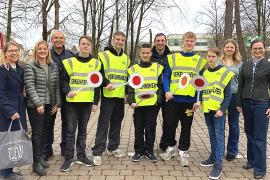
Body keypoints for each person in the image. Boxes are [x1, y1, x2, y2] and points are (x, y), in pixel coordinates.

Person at [161, 31, 207, 167]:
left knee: (186, 127)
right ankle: (170, 147)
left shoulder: (200, 61)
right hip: (173, 100)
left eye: (192, 41)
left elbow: (200, 82)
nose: (189, 43)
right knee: (170, 125)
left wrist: (198, 100)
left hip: (189, 101)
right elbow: (166, 76)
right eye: (187, 40)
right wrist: (167, 91)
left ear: (195, 43)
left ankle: (183, 151)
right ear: (183, 41)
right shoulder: (172, 58)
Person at [59, 35, 101, 172]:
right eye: (83, 44)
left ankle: (81, 156)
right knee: (70, 130)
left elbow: (98, 83)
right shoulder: (69, 62)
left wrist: (96, 101)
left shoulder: (96, 63)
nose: (85, 46)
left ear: (91, 46)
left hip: (87, 103)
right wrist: (67, 91)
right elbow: (63, 81)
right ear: (79, 45)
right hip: (72, 102)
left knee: (83, 130)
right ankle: (69, 158)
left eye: (88, 44)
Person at [91, 31, 130, 165]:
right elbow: (99, 74)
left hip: (120, 96)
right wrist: (106, 83)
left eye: (122, 40)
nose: (119, 42)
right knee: (103, 123)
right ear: (113, 40)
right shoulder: (103, 55)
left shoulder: (126, 58)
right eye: (117, 39)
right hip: (108, 95)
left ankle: (113, 147)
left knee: (117, 122)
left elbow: (127, 76)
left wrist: (127, 93)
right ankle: (97, 151)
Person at [24, 40, 61, 176]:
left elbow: (56, 86)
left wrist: (57, 103)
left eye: (45, 49)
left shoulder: (53, 66)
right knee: (37, 134)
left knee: (45, 132)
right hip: (36, 106)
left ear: (48, 51)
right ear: (36, 51)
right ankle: (36, 163)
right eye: (39, 49)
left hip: (49, 105)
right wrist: (38, 104)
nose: (42, 51)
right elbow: (30, 86)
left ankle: (40, 158)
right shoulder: (30, 66)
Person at [236, 39, 270, 179]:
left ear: (264, 49)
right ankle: (251, 160)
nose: (257, 51)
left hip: (261, 103)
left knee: (259, 136)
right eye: (255, 48)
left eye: (260, 48)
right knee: (249, 133)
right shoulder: (246, 65)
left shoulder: (268, 65)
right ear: (251, 50)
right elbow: (241, 85)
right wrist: (238, 103)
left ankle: (260, 168)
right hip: (246, 102)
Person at [199, 48, 234, 180]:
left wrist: (222, 109)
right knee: (212, 135)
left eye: (213, 56)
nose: (211, 59)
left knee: (219, 137)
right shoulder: (205, 73)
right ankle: (213, 157)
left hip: (218, 111)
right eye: (209, 56)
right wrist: (199, 102)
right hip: (207, 110)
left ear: (218, 57)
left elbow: (228, 94)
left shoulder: (225, 72)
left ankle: (218, 165)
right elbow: (202, 90)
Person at [127, 43, 164, 163]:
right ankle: (138, 151)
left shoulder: (157, 68)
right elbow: (130, 87)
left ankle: (149, 151)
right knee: (138, 128)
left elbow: (160, 86)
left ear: (151, 54)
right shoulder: (133, 69)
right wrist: (131, 101)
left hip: (152, 105)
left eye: (147, 52)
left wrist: (158, 100)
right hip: (138, 105)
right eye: (143, 52)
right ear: (140, 53)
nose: (145, 54)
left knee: (151, 128)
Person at [43, 30, 73, 160]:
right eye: (56, 38)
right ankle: (47, 149)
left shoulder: (71, 55)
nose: (58, 40)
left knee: (67, 123)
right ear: (52, 40)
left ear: (64, 39)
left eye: (61, 38)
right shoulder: (46, 54)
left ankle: (65, 148)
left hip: (67, 93)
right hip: (51, 94)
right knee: (48, 123)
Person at [0, 42, 26, 180]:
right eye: (11, 51)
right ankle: (5, 173)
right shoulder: (2, 69)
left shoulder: (19, 68)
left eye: (16, 50)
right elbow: (0, 94)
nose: (14, 53)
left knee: (14, 141)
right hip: (7, 111)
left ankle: (10, 169)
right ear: (5, 53)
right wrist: (10, 111)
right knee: (7, 141)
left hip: (19, 108)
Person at [220, 39, 242, 161]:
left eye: (231, 47)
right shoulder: (218, 62)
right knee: (220, 124)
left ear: (235, 49)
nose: (229, 49)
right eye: (227, 47)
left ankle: (232, 150)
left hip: (234, 96)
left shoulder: (239, 64)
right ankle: (220, 149)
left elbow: (241, 82)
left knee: (233, 124)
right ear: (223, 48)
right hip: (220, 97)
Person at [151, 33, 171, 153]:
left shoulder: (171, 57)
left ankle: (164, 144)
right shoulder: (149, 56)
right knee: (151, 121)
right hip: (153, 93)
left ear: (165, 41)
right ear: (155, 42)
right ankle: (149, 145)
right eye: (158, 40)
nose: (160, 42)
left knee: (168, 121)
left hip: (167, 94)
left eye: (162, 40)